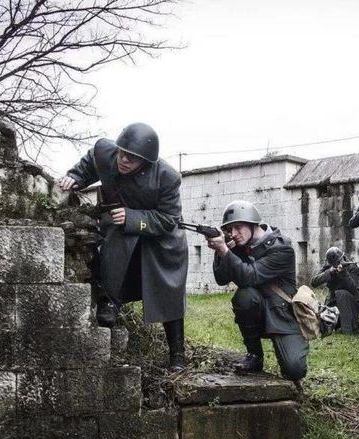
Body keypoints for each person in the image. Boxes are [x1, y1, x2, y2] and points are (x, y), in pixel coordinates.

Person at [59, 122, 188, 370]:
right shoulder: (105, 152)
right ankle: (110, 301)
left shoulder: (167, 177)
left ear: (146, 162)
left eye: (132, 158)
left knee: (167, 288)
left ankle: (177, 354)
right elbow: (89, 165)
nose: (123, 160)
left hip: (161, 238)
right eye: (122, 153)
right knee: (114, 249)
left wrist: (134, 219)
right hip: (120, 229)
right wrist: (75, 177)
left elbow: (169, 219)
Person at [206, 200, 308, 382]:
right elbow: (221, 279)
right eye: (230, 229)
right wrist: (221, 252)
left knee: (294, 370)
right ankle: (255, 355)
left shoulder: (282, 248)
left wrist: (224, 250)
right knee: (244, 296)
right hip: (255, 309)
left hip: (282, 314)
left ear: (253, 224)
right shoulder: (238, 246)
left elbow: (249, 276)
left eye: (238, 227)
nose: (235, 233)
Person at [310, 247, 359, 333]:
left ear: (342, 258)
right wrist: (329, 272)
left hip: (351, 301)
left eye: (338, 262)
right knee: (324, 323)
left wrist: (343, 273)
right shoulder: (328, 267)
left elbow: (353, 288)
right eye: (334, 264)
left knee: (341, 293)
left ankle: (349, 327)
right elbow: (313, 282)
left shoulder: (352, 267)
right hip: (333, 301)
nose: (336, 265)